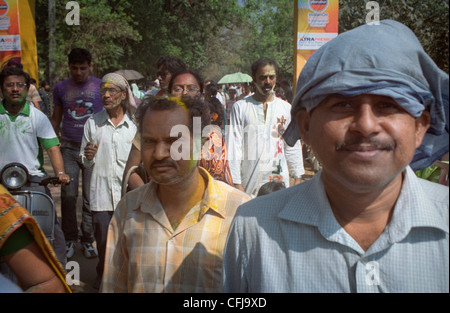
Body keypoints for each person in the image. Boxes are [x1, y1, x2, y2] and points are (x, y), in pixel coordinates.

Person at [223, 20, 449, 293]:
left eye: (388, 105)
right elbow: (233, 143)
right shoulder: (253, 230)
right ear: (305, 125)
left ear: (420, 126)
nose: (366, 125)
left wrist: (295, 173)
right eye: (343, 104)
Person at [101, 96, 250, 292]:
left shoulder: (240, 214)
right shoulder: (128, 210)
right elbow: (114, 287)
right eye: (149, 142)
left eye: (173, 141)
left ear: (202, 144)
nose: (159, 154)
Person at [0, 66, 70, 265]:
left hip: (32, 180)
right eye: (9, 85)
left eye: (20, 85)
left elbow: (52, 148)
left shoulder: (37, 117)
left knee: (51, 227)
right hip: (1, 183)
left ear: (26, 88)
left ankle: (60, 272)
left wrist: (61, 173)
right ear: (2, 88)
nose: (15, 89)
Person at [80, 73, 137, 289]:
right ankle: (103, 276)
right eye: (103, 90)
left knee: (129, 241)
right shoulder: (92, 123)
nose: (106, 95)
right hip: (101, 194)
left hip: (129, 195)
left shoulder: (133, 126)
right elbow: (84, 162)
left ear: (123, 94)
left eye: (111, 90)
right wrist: (88, 156)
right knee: (103, 242)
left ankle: (128, 279)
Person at [50, 48, 104, 260]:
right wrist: (49, 141)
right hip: (69, 148)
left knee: (91, 197)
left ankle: (87, 240)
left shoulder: (101, 86)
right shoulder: (60, 88)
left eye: (83, 68)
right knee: (69, 195)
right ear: (69, 67)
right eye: (74, 68)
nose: (79, 72)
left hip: (93, 149)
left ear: (90, 66)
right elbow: (56, 118)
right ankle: (70, 239)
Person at [227, 57, 305, 197]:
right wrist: (237, 183)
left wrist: (297, 177)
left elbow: (292, 145)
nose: (267, 81)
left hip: (278, 183)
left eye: (271, 77)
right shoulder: (241, 107)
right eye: (263, 77)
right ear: (254, 79)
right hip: (248, 184)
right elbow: (234, 146)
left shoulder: (286, 108)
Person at [0, 184, 71, 293]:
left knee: (56, 233)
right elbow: (49, 286)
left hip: (33, 181)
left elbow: (47, 285)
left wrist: (60, 174)